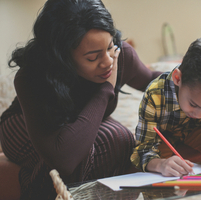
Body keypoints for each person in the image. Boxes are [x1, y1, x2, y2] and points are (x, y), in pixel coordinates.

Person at [0, 0, 161, 199]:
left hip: (76, 130)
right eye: (93, 58)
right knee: (80, 152)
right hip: (25, 125)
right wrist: (105, 90)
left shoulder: (119, 55)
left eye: (110, 46)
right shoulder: (33, 77)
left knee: (121, 140)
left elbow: (153, 81)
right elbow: (64, 159)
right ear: (62, 57)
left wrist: (187, 78)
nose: (108, 62)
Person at [131, 34, 201, 177]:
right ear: (178, 78)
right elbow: (144, 149)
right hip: (164, 137)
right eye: (193, 104)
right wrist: (160, 164)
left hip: (197, 132)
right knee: (162, 172)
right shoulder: (154, 94)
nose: (199, 115)